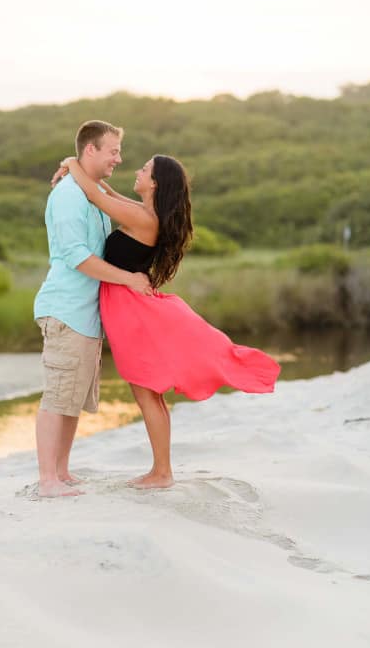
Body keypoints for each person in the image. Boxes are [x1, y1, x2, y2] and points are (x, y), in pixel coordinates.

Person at [52, 149, 280, 489]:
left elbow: (94, 196)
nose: (137, 172)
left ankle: (162, 472)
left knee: (146, 394)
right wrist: (87, 174)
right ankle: (161, 470)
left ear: (155, 184)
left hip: (133, 314)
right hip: (130, 309)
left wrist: (72, 163)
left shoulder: (145, 220)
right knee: (148, 393)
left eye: (144, 170)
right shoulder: (144, 213)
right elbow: (108, 195)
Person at [31, 120, 153, 498]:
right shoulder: (69, 195)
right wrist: (127, 279)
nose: (119, 158)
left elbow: (113, 204)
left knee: (71, 398)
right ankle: (47, 479)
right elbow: (76, 256)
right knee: (57, 397)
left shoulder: (93, 190)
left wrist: (71, 161)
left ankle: (62, 472)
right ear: (91, 151)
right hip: (66, 309)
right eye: (113, 150)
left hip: (86, 316)